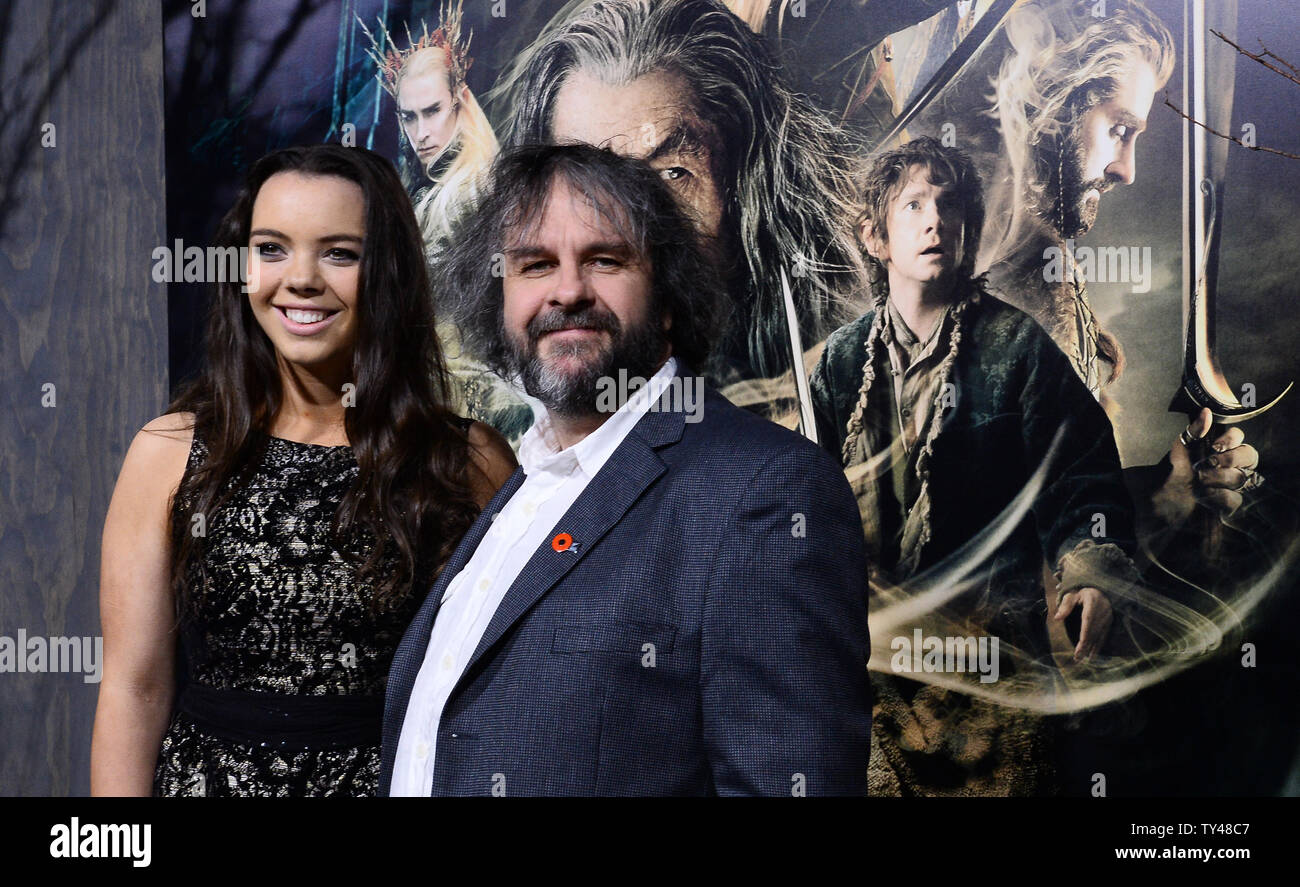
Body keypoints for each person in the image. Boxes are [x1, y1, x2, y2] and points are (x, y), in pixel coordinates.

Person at [383, 142, 872, 796]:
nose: (567, 290)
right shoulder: (521, 482)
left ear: (666, 296)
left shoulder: (765, 491)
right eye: (534, 264)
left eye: (605, 259)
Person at [90, 145, 517, 797]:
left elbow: (505, 698)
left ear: (387, 272)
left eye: (339, 253)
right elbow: (133, 688)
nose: (301, 278)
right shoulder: (168, 453)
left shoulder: (466, 462)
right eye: (271, 248)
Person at [810, 136, 1142, 795]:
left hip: (998, 665)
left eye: (950, 204)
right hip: (880, 672)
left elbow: (1081, 471)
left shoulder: (1016, 348)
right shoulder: (841, 365)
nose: (935, 219)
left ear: (969, 229)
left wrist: (1091, 571)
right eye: (913, 205)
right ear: (876, 238)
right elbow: (805, 500)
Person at [981, 0, 1259, 527]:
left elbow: (1033, 499)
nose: (1126, 170)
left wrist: (1163, 490)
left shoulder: (1044, 271)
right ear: (1052, 98)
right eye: (1119, 129)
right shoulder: (951, 256)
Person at [495, 0, 867, 389]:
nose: (623, 233)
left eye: (672, 174)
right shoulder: (515, 428)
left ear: (744, 193)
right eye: (584, 183)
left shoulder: (832, 373)